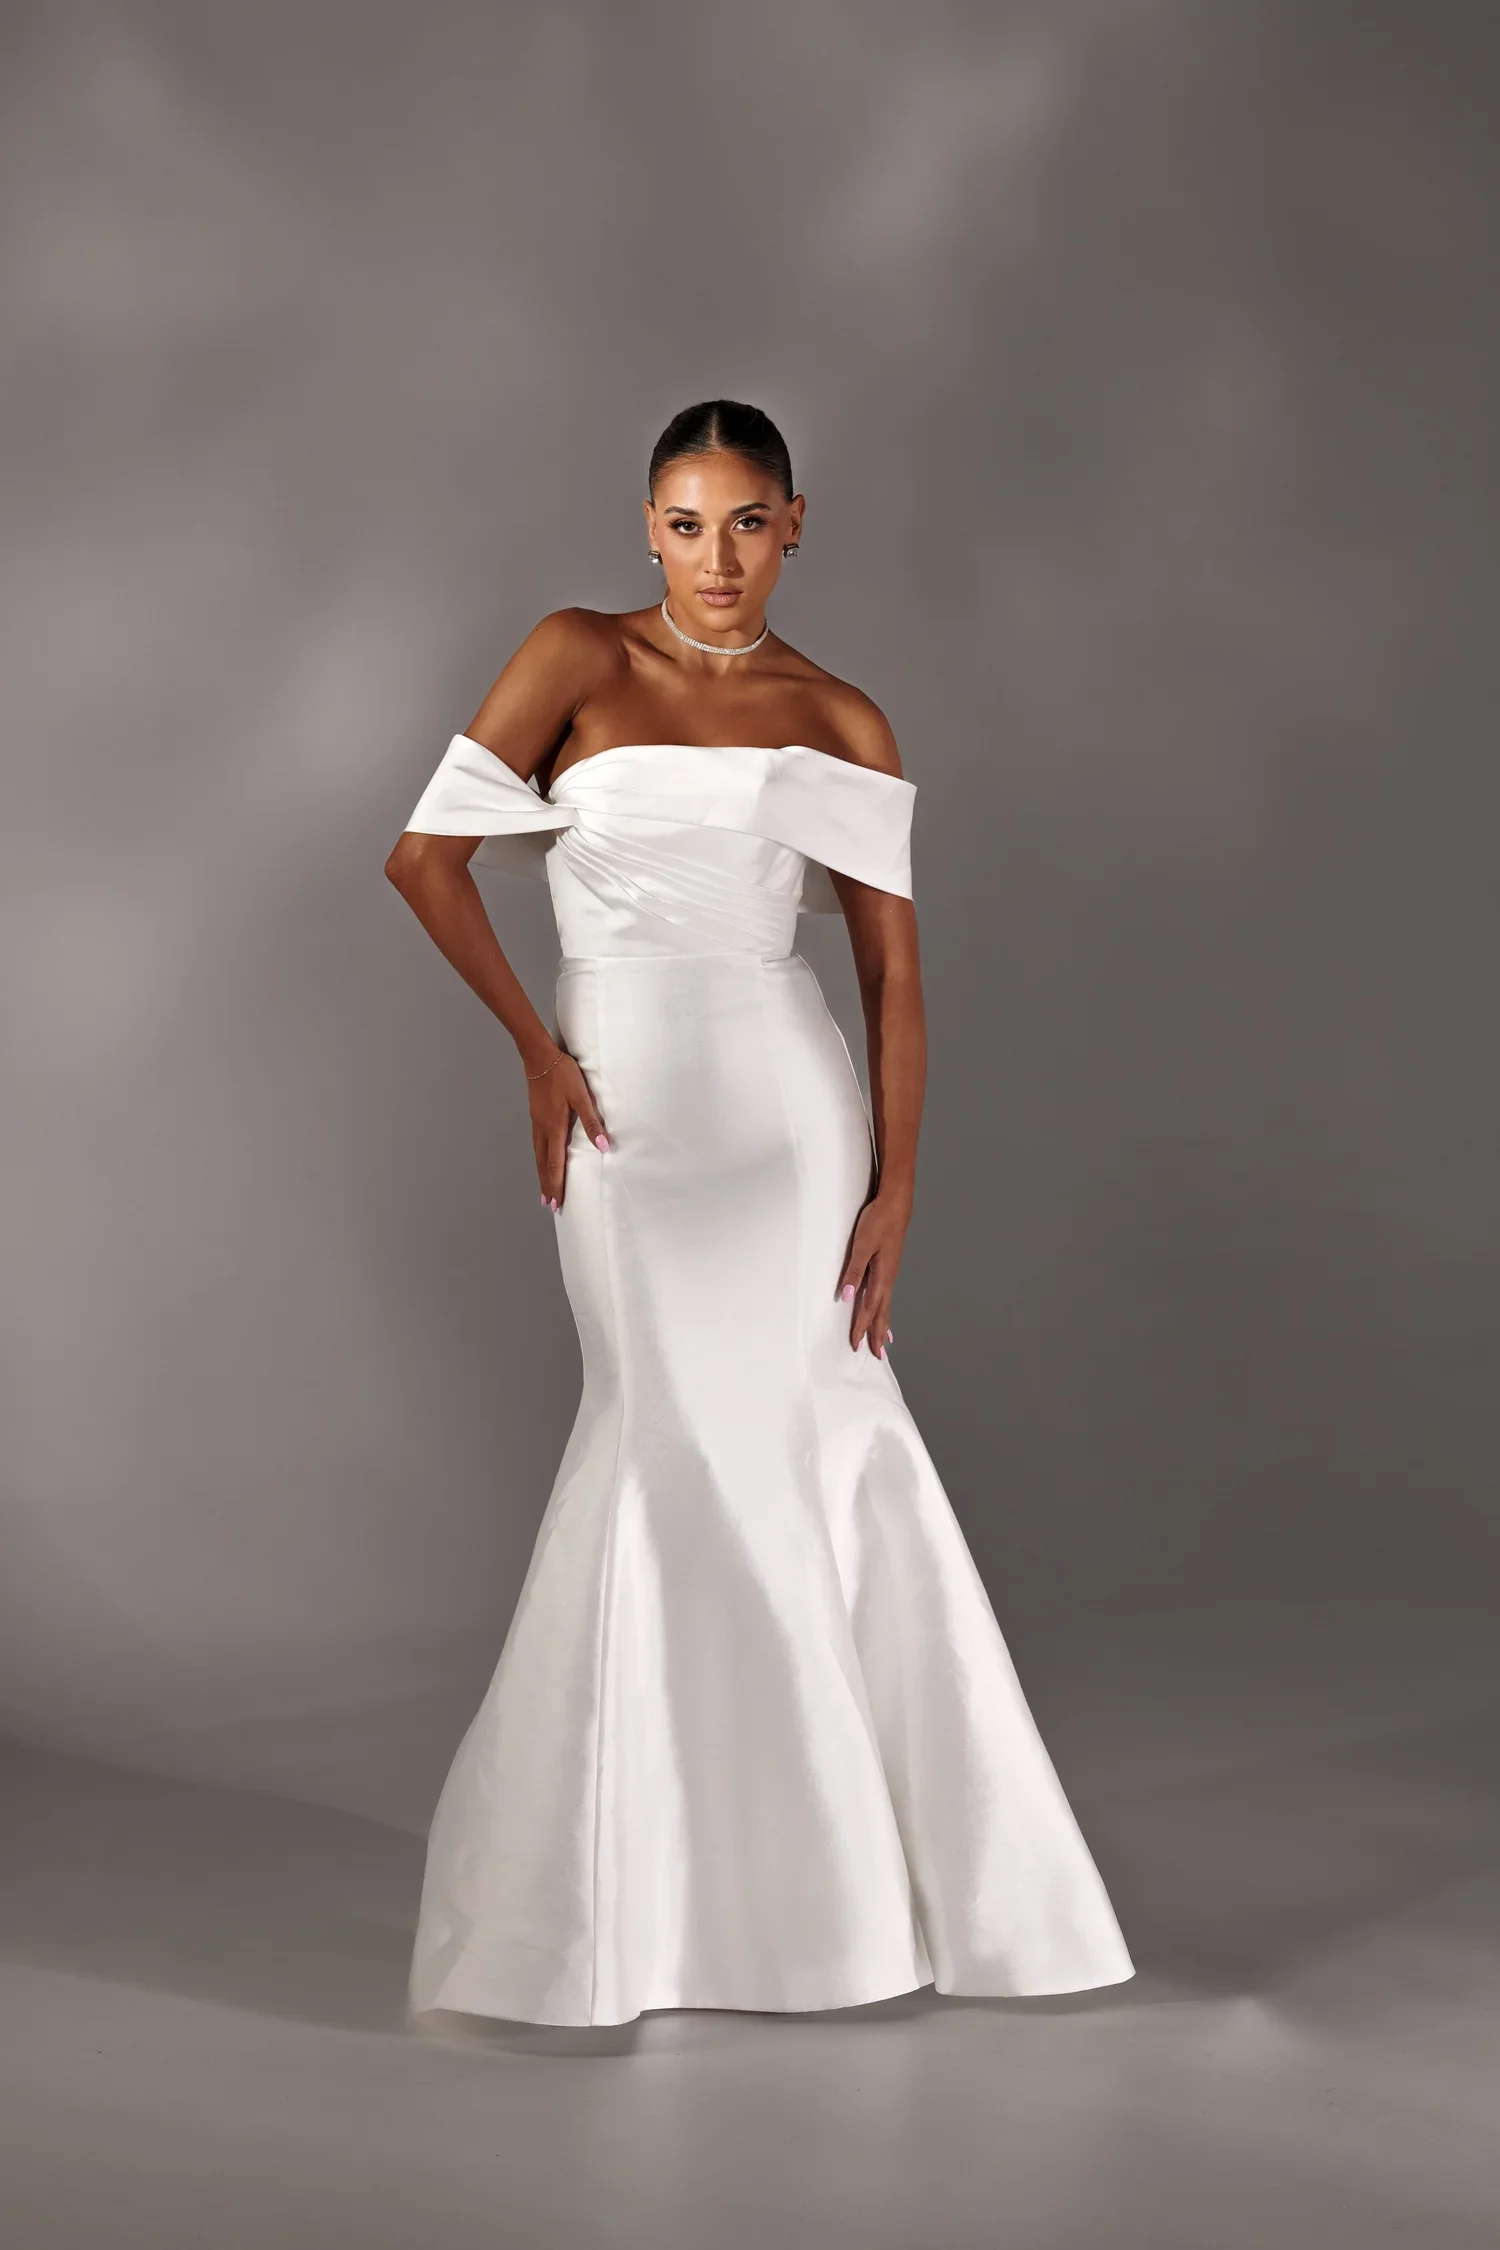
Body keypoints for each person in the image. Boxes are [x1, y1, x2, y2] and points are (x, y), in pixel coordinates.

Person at [386, 399, 1133, 2027]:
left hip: (789, 1116)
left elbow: (891, 977)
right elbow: (424, 858)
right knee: (663, 1434)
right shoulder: (575, 655)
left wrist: (899, 1182)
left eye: (744, 523)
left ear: (796, 523)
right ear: (645, 527)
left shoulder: (838, 714)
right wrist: (534, 1047)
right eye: (684, 523)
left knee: (815, 1430)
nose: (714, 558)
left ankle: (847, 1899)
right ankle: (648, 1900)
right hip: (626, 1097)